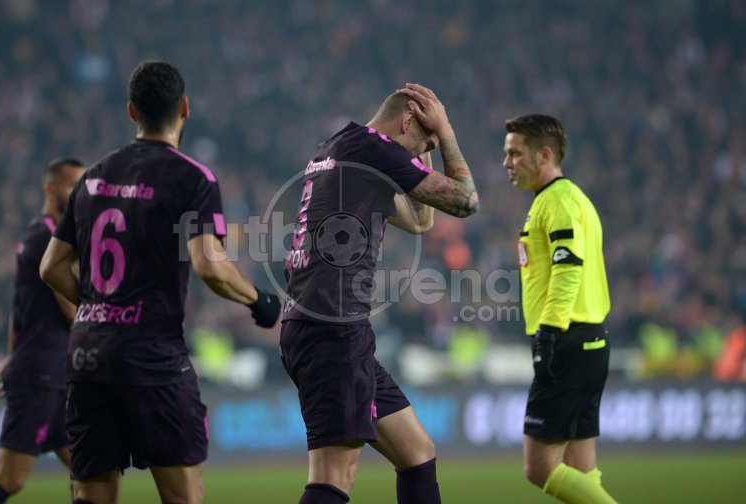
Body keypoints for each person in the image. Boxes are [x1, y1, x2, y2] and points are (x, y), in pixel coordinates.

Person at [39, 60, 281, 504]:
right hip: (152, 356)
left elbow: (50, 267)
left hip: (89, 354)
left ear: (132, 112)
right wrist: (260, 300)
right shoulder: (193, 178)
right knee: (182, 496)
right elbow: (210, 267)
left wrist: (97, 305)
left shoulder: (92, 176)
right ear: (185, 108)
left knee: (92, 496)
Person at [281, 83, 478, 503]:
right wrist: (444, 133)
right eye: (420, 142)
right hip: (332, 328)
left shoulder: (336, 148)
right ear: (407, 121)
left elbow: (421, 220)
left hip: (325, 324)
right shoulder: (376, 151)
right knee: (334, 474)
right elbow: (465, 200)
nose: (420, 152)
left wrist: (422, 146)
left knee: (417, 453)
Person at [503, 114, 617, 503]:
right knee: (582, 469)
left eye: (515, 153)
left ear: (544, 155)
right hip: (587, 343)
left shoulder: (559, 202)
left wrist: (549, 335)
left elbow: (568, 272)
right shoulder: (562, 200)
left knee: (539, 467)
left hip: (568, 341)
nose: (507, 163)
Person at [0, 158, 86, 504]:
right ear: (51, 190)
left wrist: (13, 357)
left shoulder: (36, 233)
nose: (79, 193)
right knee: (10, 478)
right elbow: (69, 308)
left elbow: (17, 311)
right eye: (72, 185)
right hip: (42, 374)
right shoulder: (52, 237)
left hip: (50, 370)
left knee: (89, 475)